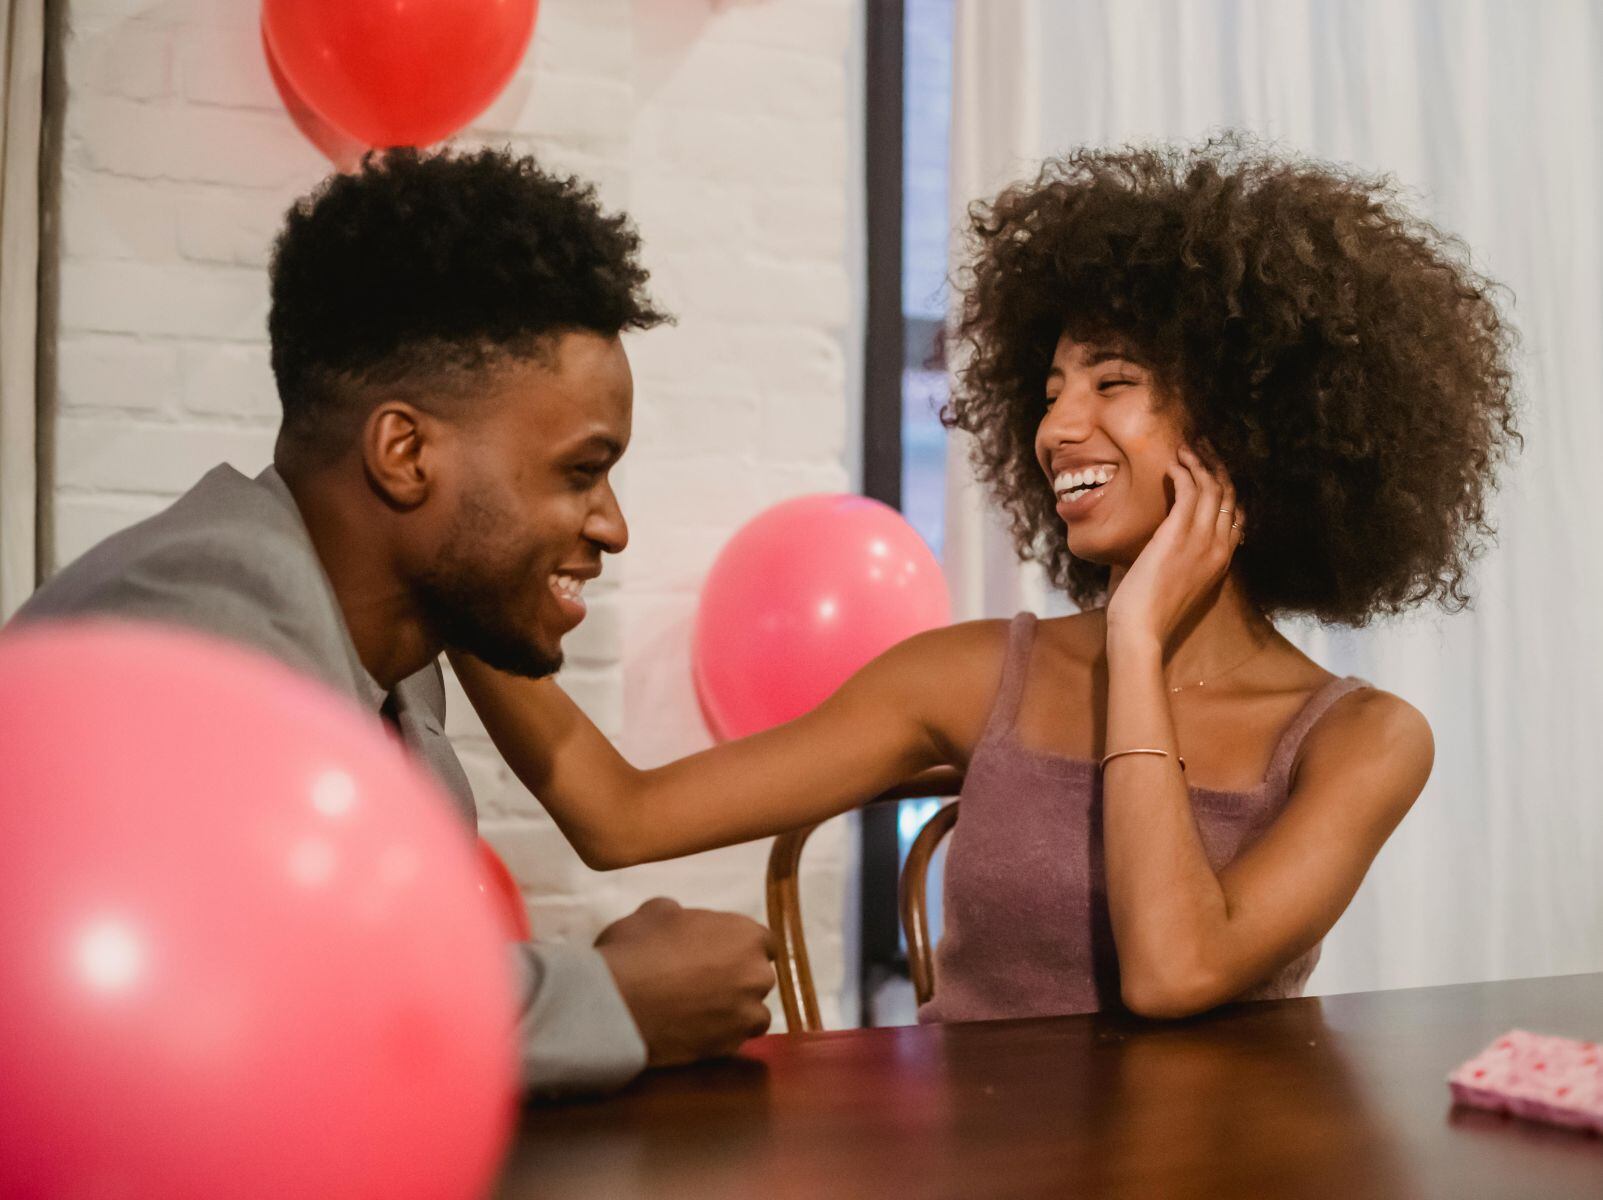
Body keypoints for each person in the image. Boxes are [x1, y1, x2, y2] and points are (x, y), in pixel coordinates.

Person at [453, 136, 1520, 1022]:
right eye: (1049, 389)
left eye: (1112, 381)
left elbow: (1175, 972)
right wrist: (446, 572)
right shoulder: (969, 677)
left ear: (1249, 419)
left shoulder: (1361, 741)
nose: (1058, 428)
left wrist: (1136, 641)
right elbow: (621, 817)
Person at [10, 148, 777, 1091]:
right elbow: (252, 1008)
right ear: (404, 451)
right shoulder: (193, 627)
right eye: (582, 470)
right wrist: (617, 999)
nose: (612, 527)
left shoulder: (393, 655)